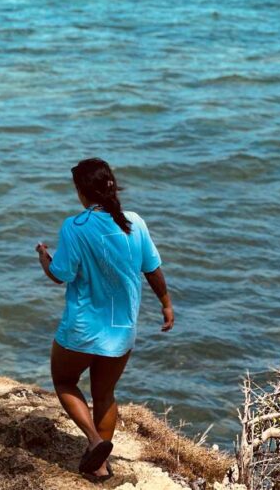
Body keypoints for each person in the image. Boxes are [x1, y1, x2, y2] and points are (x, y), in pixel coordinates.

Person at [36, 157, 174, 482]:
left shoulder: (75, 227)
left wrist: (44, 257)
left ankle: (96, 442)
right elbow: (152, 268)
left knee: (64, 381)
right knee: (104, 396)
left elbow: (61, 275)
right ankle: (98, 467)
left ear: (83, 191)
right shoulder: (135, 223)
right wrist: (166, 304)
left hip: (82, 331)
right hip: (121, 332)